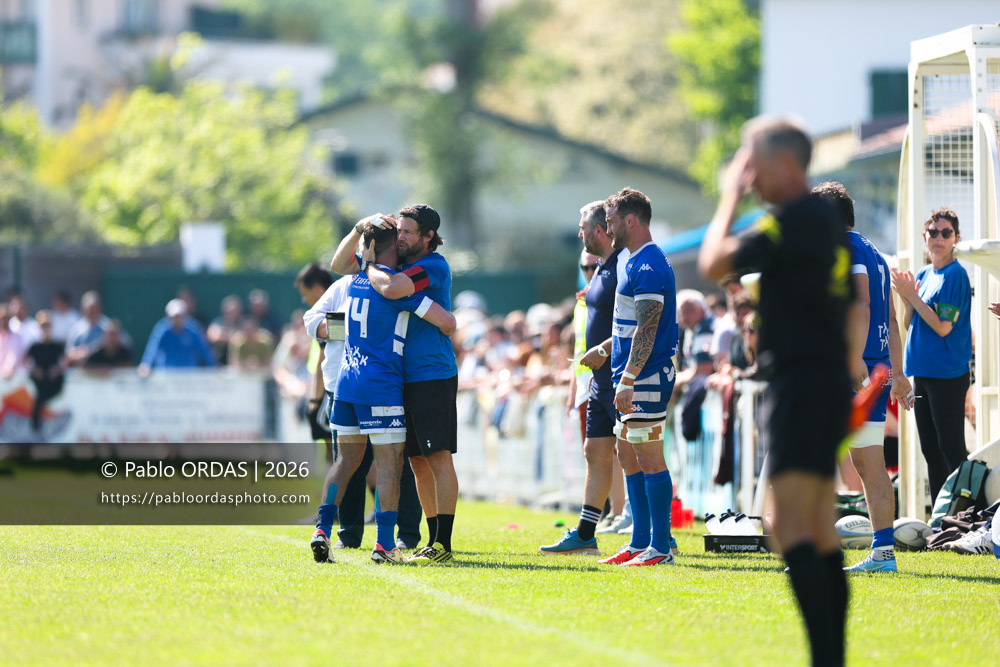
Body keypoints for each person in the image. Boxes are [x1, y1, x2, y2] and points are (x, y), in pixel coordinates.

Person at [699, 116, 861, 667]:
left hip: (803, 382)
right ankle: (829, 657)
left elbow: (713, 261)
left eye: (752, 160)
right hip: (818, 380)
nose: (745, 172)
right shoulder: (814, 220)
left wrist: (728, 198)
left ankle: (825, 658)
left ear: (785, 163)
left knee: (785, 524)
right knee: (815, 528)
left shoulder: (794, 219)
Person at [308, 219, 456, 564]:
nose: (404, 242)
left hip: (346, 384)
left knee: (345, 462)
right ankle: (385, 544)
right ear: (393, 247)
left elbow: (338, 266)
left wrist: (361, 235)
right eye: (400, 238)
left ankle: (321, 529)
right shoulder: (396, 291)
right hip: (382, 385)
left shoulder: (355, 282)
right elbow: (448, 323)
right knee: (389, 465)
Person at [576, 187, 679, 567]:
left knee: (650, 457)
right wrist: (608, 355)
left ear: (630, 221)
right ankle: (639, 541)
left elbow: (647, 330)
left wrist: (630, 377)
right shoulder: (632, 261)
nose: (608, 226)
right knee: (627, 454)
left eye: (613, 219)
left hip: (647, 375)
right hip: (629, 372)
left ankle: (661, 546)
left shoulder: (648, 264)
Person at [814, 181, 914, 573]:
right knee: (869, 463)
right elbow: (888, 317)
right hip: (877, 370)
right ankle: (883, 554)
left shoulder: (846, 249)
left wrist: (852, 358)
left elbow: (861, 302)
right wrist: (900, 373)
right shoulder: (872, 250)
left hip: (852, 370)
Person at [541, 201, 634, 555]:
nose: (580, 234)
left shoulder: (625, 265)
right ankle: (585, 534)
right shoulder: (605, 268)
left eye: (583, 228)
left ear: (599, 229)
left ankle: (653, 533)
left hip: (621, 373)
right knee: (595, 451)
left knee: (634, 454)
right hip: (599, 378)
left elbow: (642, 321)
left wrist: (605, 350)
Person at [891, 208, 973, 502]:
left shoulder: (955, 275)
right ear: (924, 237)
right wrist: (906, 298)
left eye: (946, 232)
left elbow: (942, 327)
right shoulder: (925, 274)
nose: (939, 238)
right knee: (930, 450)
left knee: (950, 447)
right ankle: (942, 520)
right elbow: (907, 323)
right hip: (922, 375)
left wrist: (911, 296)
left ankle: (967, 513)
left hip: (947, 376)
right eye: (933, 232)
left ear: (956, 238)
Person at [294, 263, 335, 461]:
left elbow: (326, 356)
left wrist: (316, 400)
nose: (304, 299)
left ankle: (336, 493)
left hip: (333, 392)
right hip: (350, 389)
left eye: (305, 293)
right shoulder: (344, 303)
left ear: (318, 289)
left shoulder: (328, 314)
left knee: (339, 457)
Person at [138, 299, 216, 377]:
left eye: (180, 316)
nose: (177, 319)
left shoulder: (193, 329)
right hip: (167, 374)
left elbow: (205, 351)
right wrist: (146, 365)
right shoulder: (162, 330)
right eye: (174, 317)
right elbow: (152, 350)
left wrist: (214, 367)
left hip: (189, 375)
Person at [24, 310, 66, 434]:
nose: (45, 329)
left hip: (53, 381)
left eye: (47, 325)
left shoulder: (57, 345)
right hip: (41, 381)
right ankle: (36, 425)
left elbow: (65, 361)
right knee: (41, 395)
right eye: (43, 326)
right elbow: (25, 360)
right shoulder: (35, 346)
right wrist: (35, 370)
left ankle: (35, 423)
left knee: (41, 398)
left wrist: (56, 370)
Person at [207, 296, 244, 365]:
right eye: (230, 311)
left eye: (235, 311)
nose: (233, 314)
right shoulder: (217, 322)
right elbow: (213, 337)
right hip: (218, 362)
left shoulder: (243, 324)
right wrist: (233, 337)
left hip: (238, 364)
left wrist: (225, 336)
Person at [0, 303, 28, 379]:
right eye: (2, 319)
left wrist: (8, 370)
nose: (4, 322)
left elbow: (14, 356)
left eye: (5, 319)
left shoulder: (16, 336)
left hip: (14, 375)